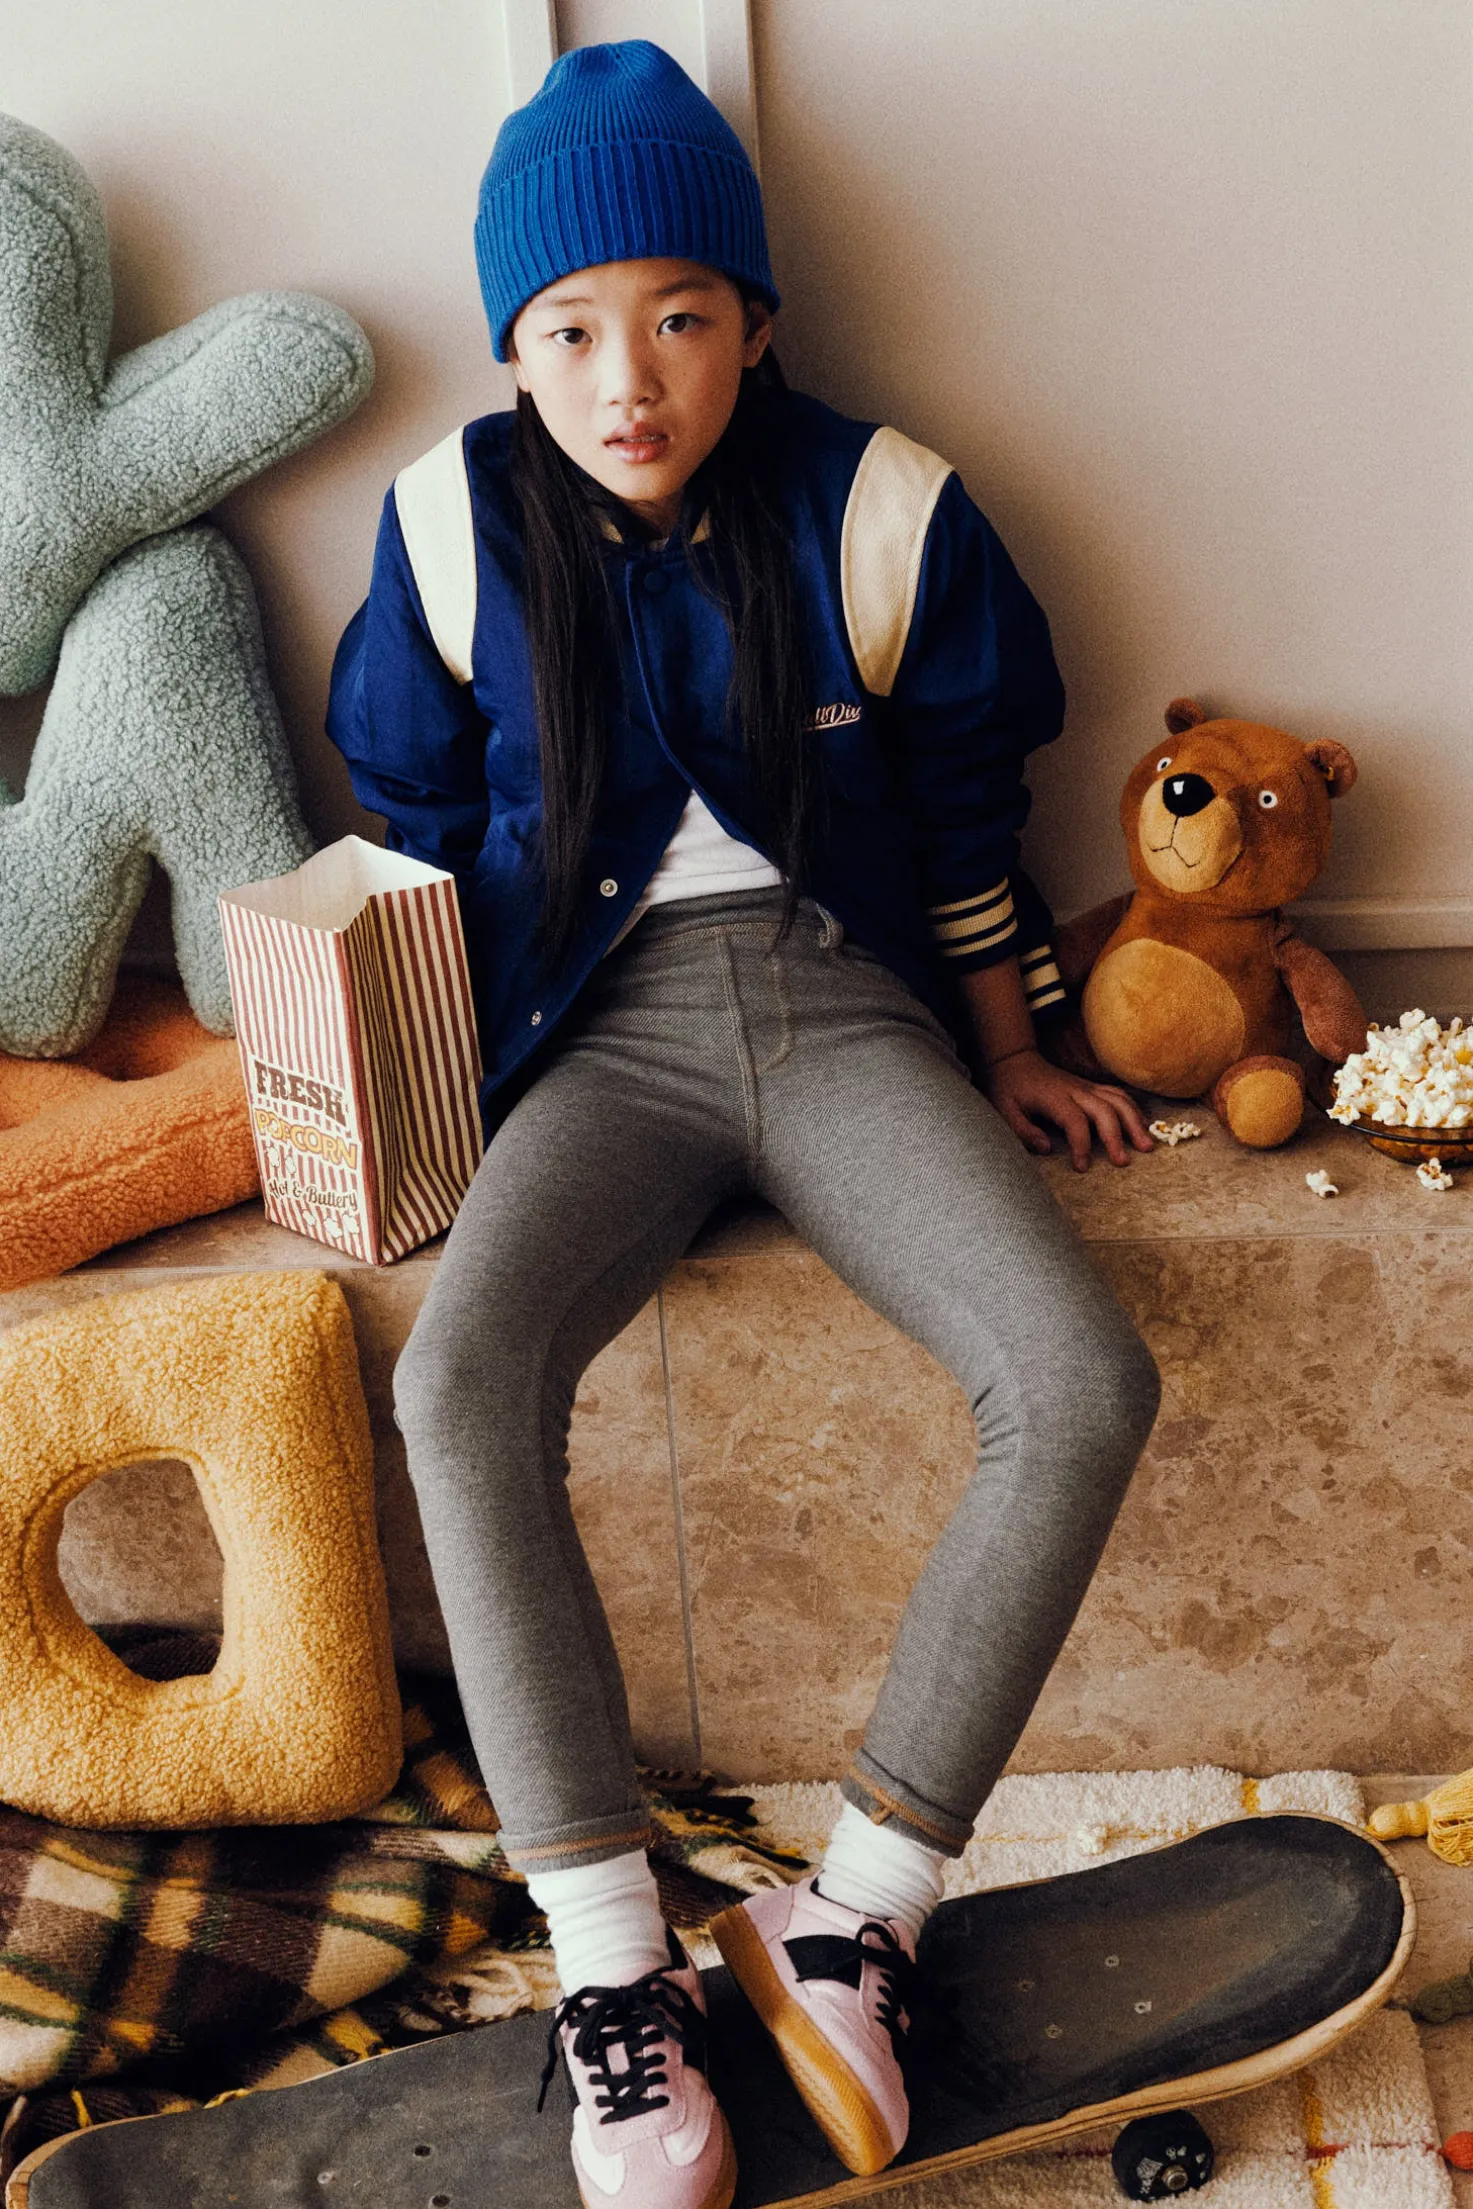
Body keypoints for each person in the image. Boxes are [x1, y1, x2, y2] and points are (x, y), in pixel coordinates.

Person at [327, 39, 1161, 2209]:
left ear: (757, 322)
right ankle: (614, 1971)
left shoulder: (883, 504)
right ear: (512, 348)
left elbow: (966, 814)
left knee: (1080, 1379)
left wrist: (1010, 1044)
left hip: (842, 1008)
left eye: (683, 316)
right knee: (460, 1384)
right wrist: (404, 1099)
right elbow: (414, 834)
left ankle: (854, 1913)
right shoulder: (444, 527)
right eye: (570, 330)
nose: (630, 380)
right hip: (592, 1042)